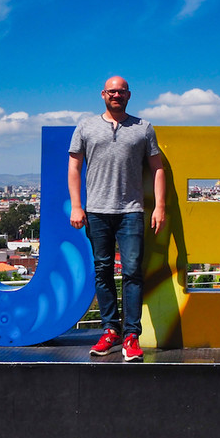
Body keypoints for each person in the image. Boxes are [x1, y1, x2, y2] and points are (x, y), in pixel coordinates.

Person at [68, 75, 166, 362]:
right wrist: (76, 205)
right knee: (102, 271)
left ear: (129, 95)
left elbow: (157, 168)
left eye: (121, 91)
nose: (116, 95)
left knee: (133, 272)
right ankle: (111, 331)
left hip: (131, 211)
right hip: (97, 211)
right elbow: (74, 166)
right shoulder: (86, 126)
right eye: (111, 91)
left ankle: (132, 335)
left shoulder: (143, 128)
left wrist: (159, 207)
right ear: (102, 94)